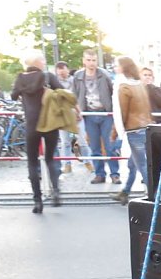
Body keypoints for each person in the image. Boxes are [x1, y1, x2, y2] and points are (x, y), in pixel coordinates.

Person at [10, 50, 63, 213]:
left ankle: (37, 201)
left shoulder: (20, 78)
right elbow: (63, 93)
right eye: (43, 60)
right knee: (50, 158)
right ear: (38, 63)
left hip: (32, 124)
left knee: (32, 163)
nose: (44, 62)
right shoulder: (48, 77)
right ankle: (55, 192)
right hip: (50, 122)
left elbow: (13, 96)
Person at [72, 49, 120, 184]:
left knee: (109, 145)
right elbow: (74, 95)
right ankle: (99, 174)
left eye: (93, 60)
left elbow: (113, 92)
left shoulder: (104, 74)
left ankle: (115, 174)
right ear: (83, 61)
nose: (91, 63)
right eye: (88, 60)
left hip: (105, 113)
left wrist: (113, 110)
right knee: (94, 146)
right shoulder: (78, 76)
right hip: (89, 114)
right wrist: (77, 111)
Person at [110, 56, 153, 206]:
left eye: (117, 65)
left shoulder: (124, 87)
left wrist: (115, 132)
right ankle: (125, 192)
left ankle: (154, 197)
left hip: (134, 129)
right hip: (145, 127)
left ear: (123, 67)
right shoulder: (139, 84)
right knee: (134, 163)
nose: (115, 67)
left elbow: (122, 113)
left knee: (141, 165)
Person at [55, 61, 93, 173]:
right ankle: (67, 164)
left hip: (76, 115)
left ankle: (88, 162)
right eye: (59, 69)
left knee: (82, 141)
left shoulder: (75, 81)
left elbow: (79, 96)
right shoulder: (55, 83)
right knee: (65, 142)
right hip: (63, 117)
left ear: (67, 70)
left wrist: (79, 111)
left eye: (63, 69)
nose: (62, 72)